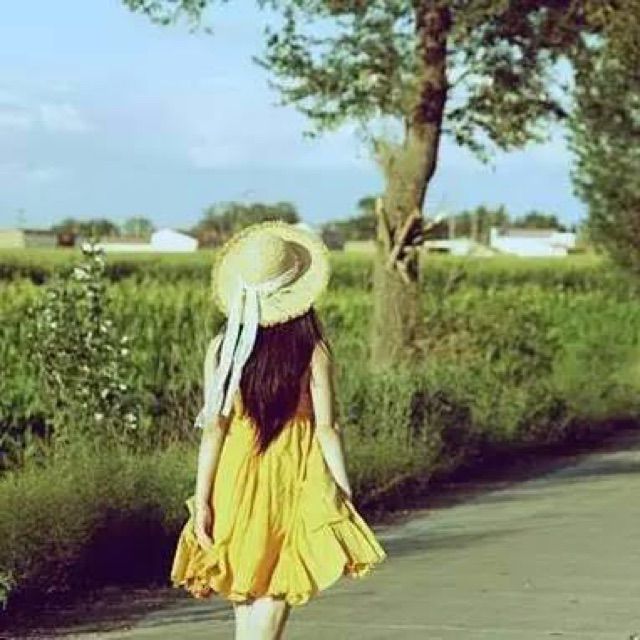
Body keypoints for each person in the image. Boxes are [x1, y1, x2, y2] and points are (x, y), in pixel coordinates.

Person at [170, 220, 387, 639]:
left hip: (234, 471)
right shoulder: (312, 351)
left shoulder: (223, 349)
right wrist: (341, 487)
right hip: (295, 472)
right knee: (276, 581)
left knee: (245, 585)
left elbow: (213, 428)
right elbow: (327, 428)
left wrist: (203, 499)